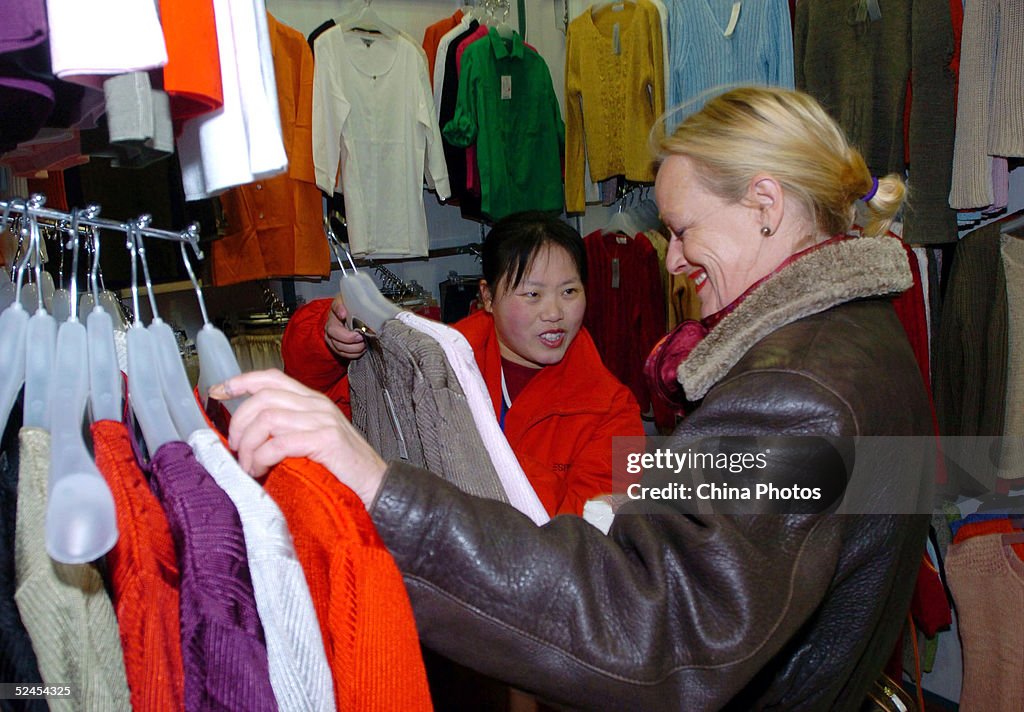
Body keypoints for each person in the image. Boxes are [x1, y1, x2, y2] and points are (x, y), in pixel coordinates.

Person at [214, 87, 933, 710]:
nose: (673, 260)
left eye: (682, 231)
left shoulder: (792, 390)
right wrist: (647, 493)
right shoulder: (858, 337)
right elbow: (798, 507)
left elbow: (657, 629)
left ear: (766, 204)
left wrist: (382, 492)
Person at [280, 211, 644, 517]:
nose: (554, 313)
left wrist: (477, 452)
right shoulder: (435, 365)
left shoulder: (619, 412)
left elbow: (593, 538)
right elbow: (327, 397)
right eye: (532, 294)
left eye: (569, 291)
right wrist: (326, 333)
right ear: (487, 297)